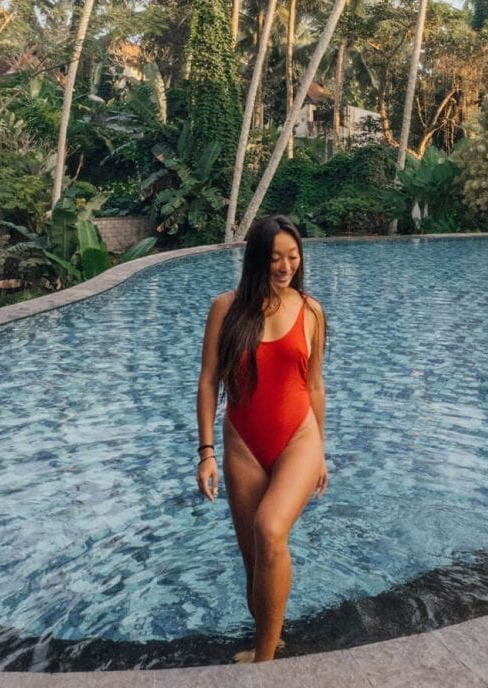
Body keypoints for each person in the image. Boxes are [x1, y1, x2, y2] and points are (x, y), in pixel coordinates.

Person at [196, 215, 328, 663]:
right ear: (257, 259)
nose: (285, 266)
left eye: (292, 257)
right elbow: (209, 381)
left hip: (299, 437)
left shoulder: (311, 310)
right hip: (242, 443)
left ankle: (265, 661)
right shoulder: (225, 309)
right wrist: (206, 451)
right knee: (252, 554)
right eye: (275, 258)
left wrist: (321, 453)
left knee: (270, 530)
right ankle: (268, 635)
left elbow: (314, 386)